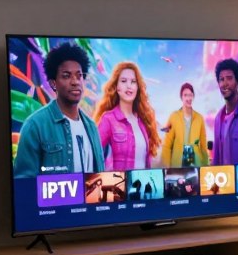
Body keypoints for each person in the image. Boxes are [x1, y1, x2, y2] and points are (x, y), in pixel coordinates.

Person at [13, 42, 105, 178]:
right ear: (53, 83)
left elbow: (100, 176)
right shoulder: (35, 125)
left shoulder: (91, 127)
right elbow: (25, 183)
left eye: (79, 75)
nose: (75, 81)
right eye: (67, 76)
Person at [93, 62, 161, 171]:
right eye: (123, 81)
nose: (129, 86)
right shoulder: (108, 119)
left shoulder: (143, 121)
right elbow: (92, 155)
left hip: (143, 181)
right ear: (117, 87)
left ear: (137, 88)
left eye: (133, 82)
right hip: (119, 181)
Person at [162, 82, 209, 168]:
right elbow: (167, 146)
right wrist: (166, 168)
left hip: (196, 163)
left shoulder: (199, 118)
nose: (188, 98)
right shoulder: (174, 116)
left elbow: (203, 145)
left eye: (190, 95)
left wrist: (206, 166)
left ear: (193, 96)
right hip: (177, 164)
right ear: (181, 97)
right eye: (185, 95)